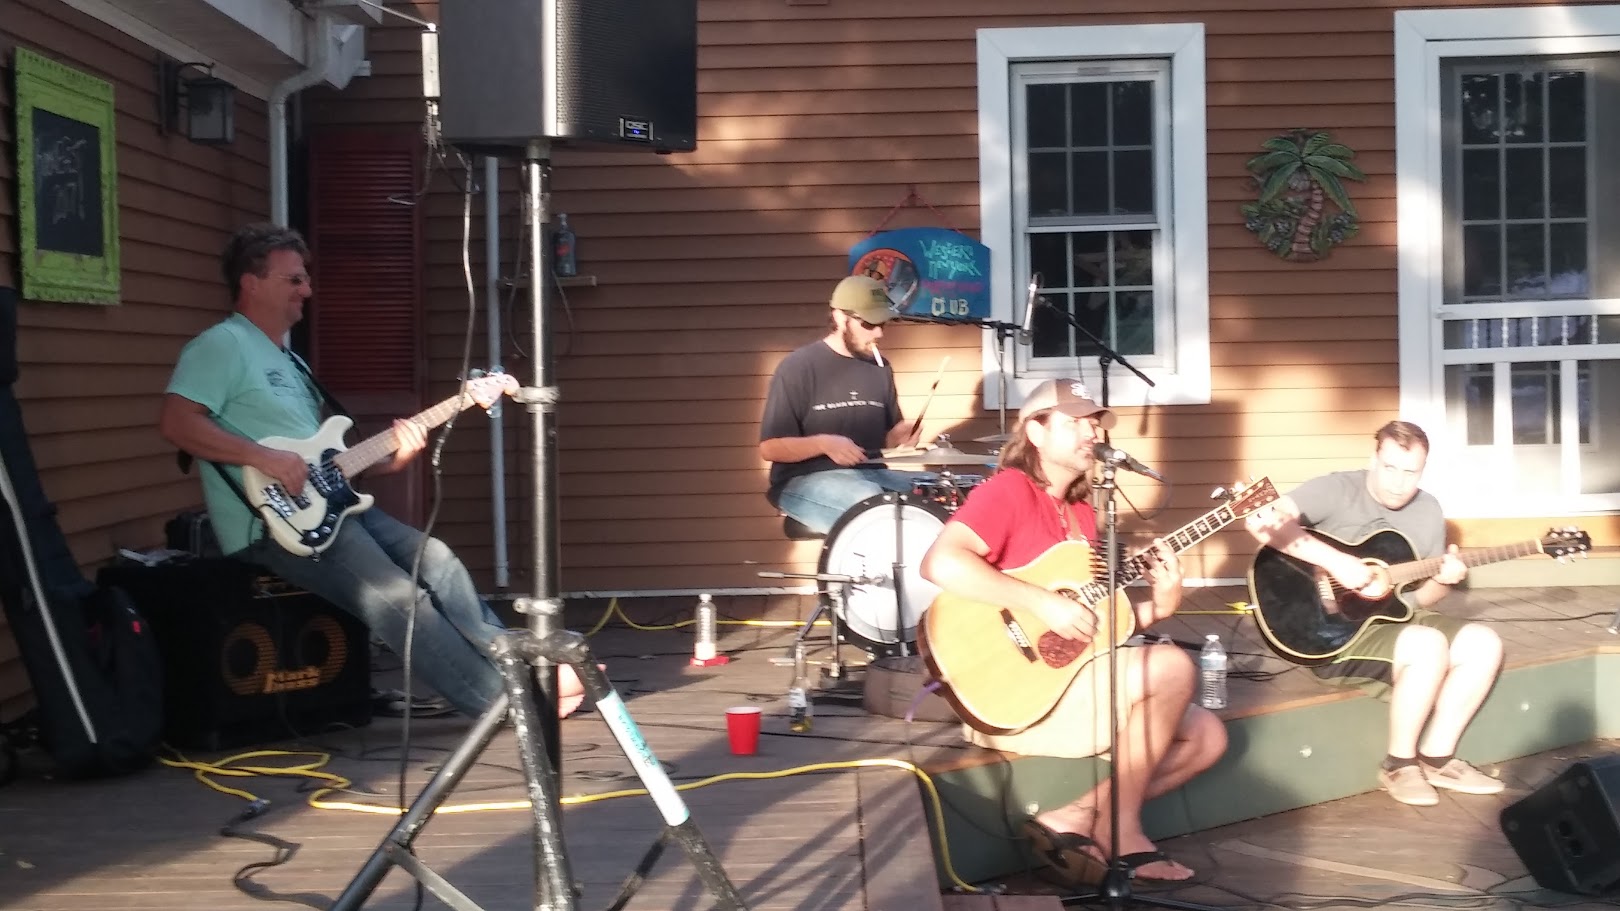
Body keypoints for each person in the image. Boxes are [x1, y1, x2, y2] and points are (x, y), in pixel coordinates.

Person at [157, 223, 586, 720]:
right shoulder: (222, 345)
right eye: (293, 280)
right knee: (402, 601)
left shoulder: (290, 362)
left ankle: (512, 665)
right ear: (251, 284)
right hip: (273, 525)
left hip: (330, 512)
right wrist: (263, 457)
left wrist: (394, 459)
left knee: (439, 560)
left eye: (306, 279)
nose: (307, 290)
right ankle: (503, 704)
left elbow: (325, 469)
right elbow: (176, 422)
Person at [919, 379, 1226, 885]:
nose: (1091, 430)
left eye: (1093, 420)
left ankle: (1081, 815)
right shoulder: (1009, 491)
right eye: (1074, 421)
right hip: (1006, 697)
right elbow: (940, 563)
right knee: (1171, 666)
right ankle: (1123, 831)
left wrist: (1161, 606)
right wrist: (1040, 601)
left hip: (1060, 683)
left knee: (1208, 737)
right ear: (1034, 432)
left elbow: (1094, 628)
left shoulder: (1086, 514)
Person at [1244, 420, 1504, 806]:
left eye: (1410, 472)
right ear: (1374, 459)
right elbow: (1261, 521)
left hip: (1391, 619)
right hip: (1329, 631)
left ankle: (1437, 757)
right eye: (1390, 468)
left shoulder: (1429, 510)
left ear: (1424, 469)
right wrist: (1336, 563)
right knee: (1428, 644)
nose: (1399, 483)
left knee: (1485, 643)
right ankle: (1398, 764)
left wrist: (1446, 580)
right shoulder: (1337, 489)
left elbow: (1419, 599)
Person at [758, 274, 923, 535]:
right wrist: (824, 443)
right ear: (839, 317)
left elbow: (886, 442)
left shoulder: (879, 367)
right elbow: (770, 448)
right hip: (803, 480)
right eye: (869, 323)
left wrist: (901, 437)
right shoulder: (798, 368)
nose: (879, 332)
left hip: (871, 474)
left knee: (933, 493)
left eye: (883, 323)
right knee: (870, 501)